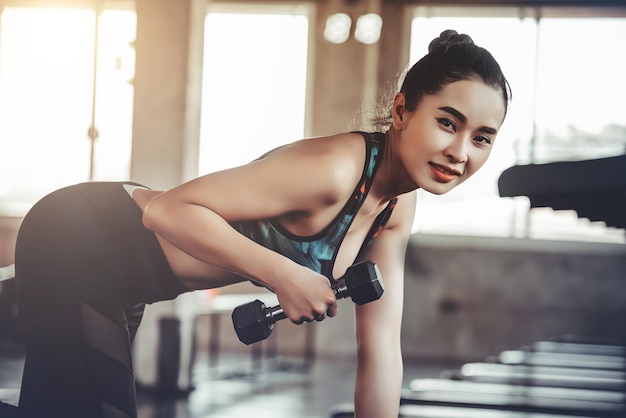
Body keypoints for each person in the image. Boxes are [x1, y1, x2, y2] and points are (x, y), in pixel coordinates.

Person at [14, 29, 511, 418]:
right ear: (402, 110)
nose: (460, 153)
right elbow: (165, 212)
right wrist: (283, 273)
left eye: (482, 138)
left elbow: (380, 349)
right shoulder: (335, 169)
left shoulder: (396, 208)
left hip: (123, 280)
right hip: (81, 238)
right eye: (448, 122)